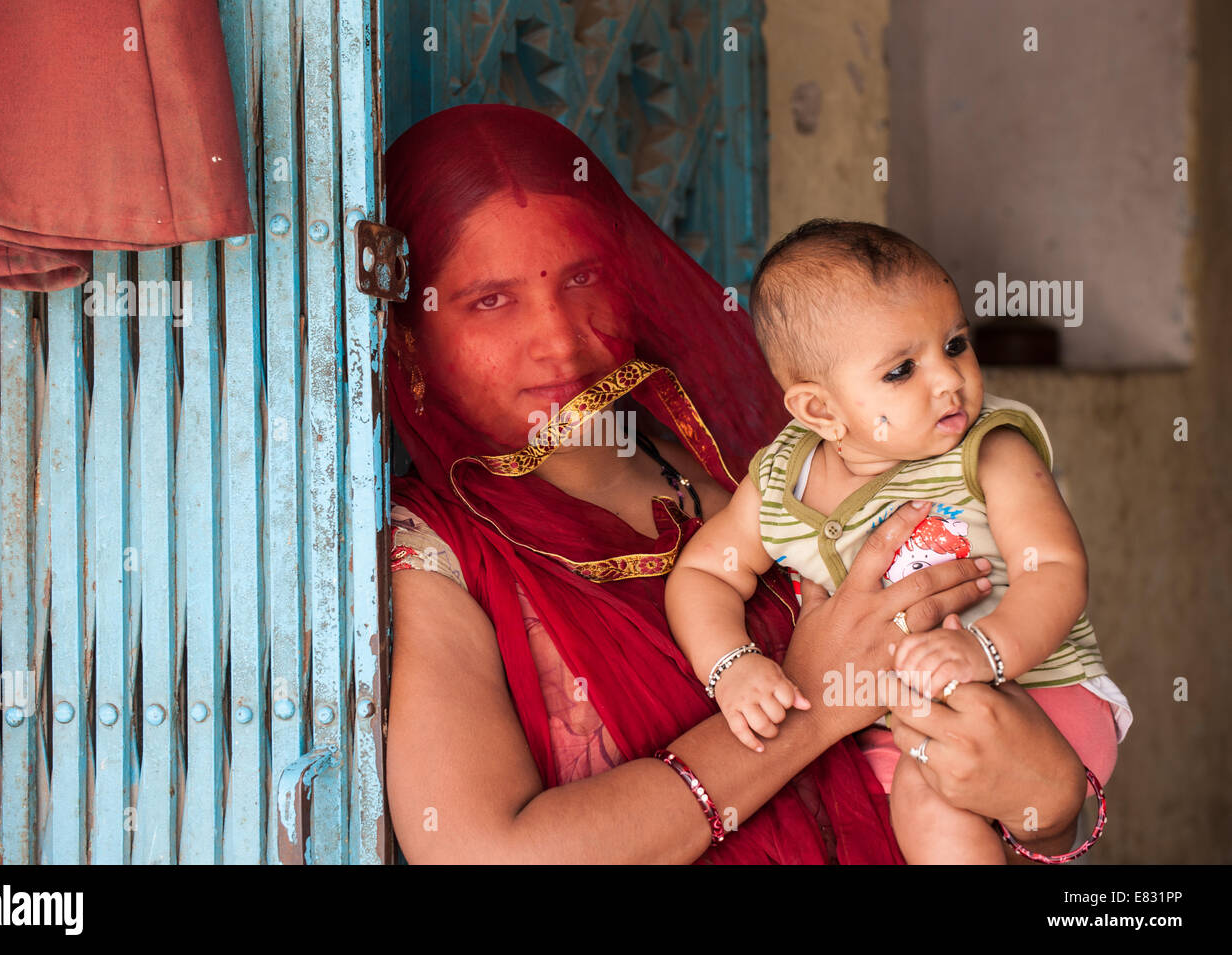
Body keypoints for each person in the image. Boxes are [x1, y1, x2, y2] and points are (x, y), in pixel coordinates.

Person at [384, 103, 1092, 864]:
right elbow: (482, 854)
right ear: (407, 332)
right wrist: (811, 708)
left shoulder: (771, 461)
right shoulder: (441, 555)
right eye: (490, 300)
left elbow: (999, 771)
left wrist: (1051, 802)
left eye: (582, 276)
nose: (558, 340)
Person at [667, 219, 1130, 863]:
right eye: (903, 369)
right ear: (821, 412)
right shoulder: (779, 478)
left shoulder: (987, 450)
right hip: (903, 720)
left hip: (1039, 699)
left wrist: (985, 650)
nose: (948, 379)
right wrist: (731, 666)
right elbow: (707, 574)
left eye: (956, 343)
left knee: (923, 790)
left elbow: (1054, 566)